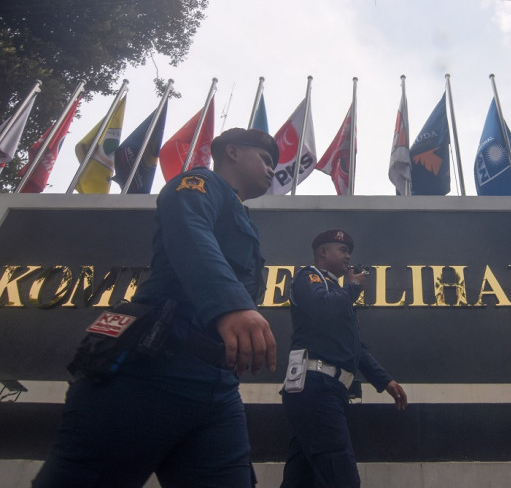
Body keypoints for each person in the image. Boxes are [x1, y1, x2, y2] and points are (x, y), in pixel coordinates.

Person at [33, 128, 279, 488]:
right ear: (233, 153)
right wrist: (231, 305)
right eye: (266, 159)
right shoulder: (197, 184)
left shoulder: (241, 216)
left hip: (217, 386)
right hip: (151, 365)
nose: (273, 170)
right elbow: (189, 228)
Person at [280, 229, 408, 488]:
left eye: (349, 251)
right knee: (341, 475)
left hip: (330, 391)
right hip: (316, 386)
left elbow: (355, 348)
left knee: (300, 477)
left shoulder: (338, 294)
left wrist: (385, 381)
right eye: (343, 250)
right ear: (323, 253)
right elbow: (320, 307)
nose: (349, 256)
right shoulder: (309, 277)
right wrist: (353, 288)